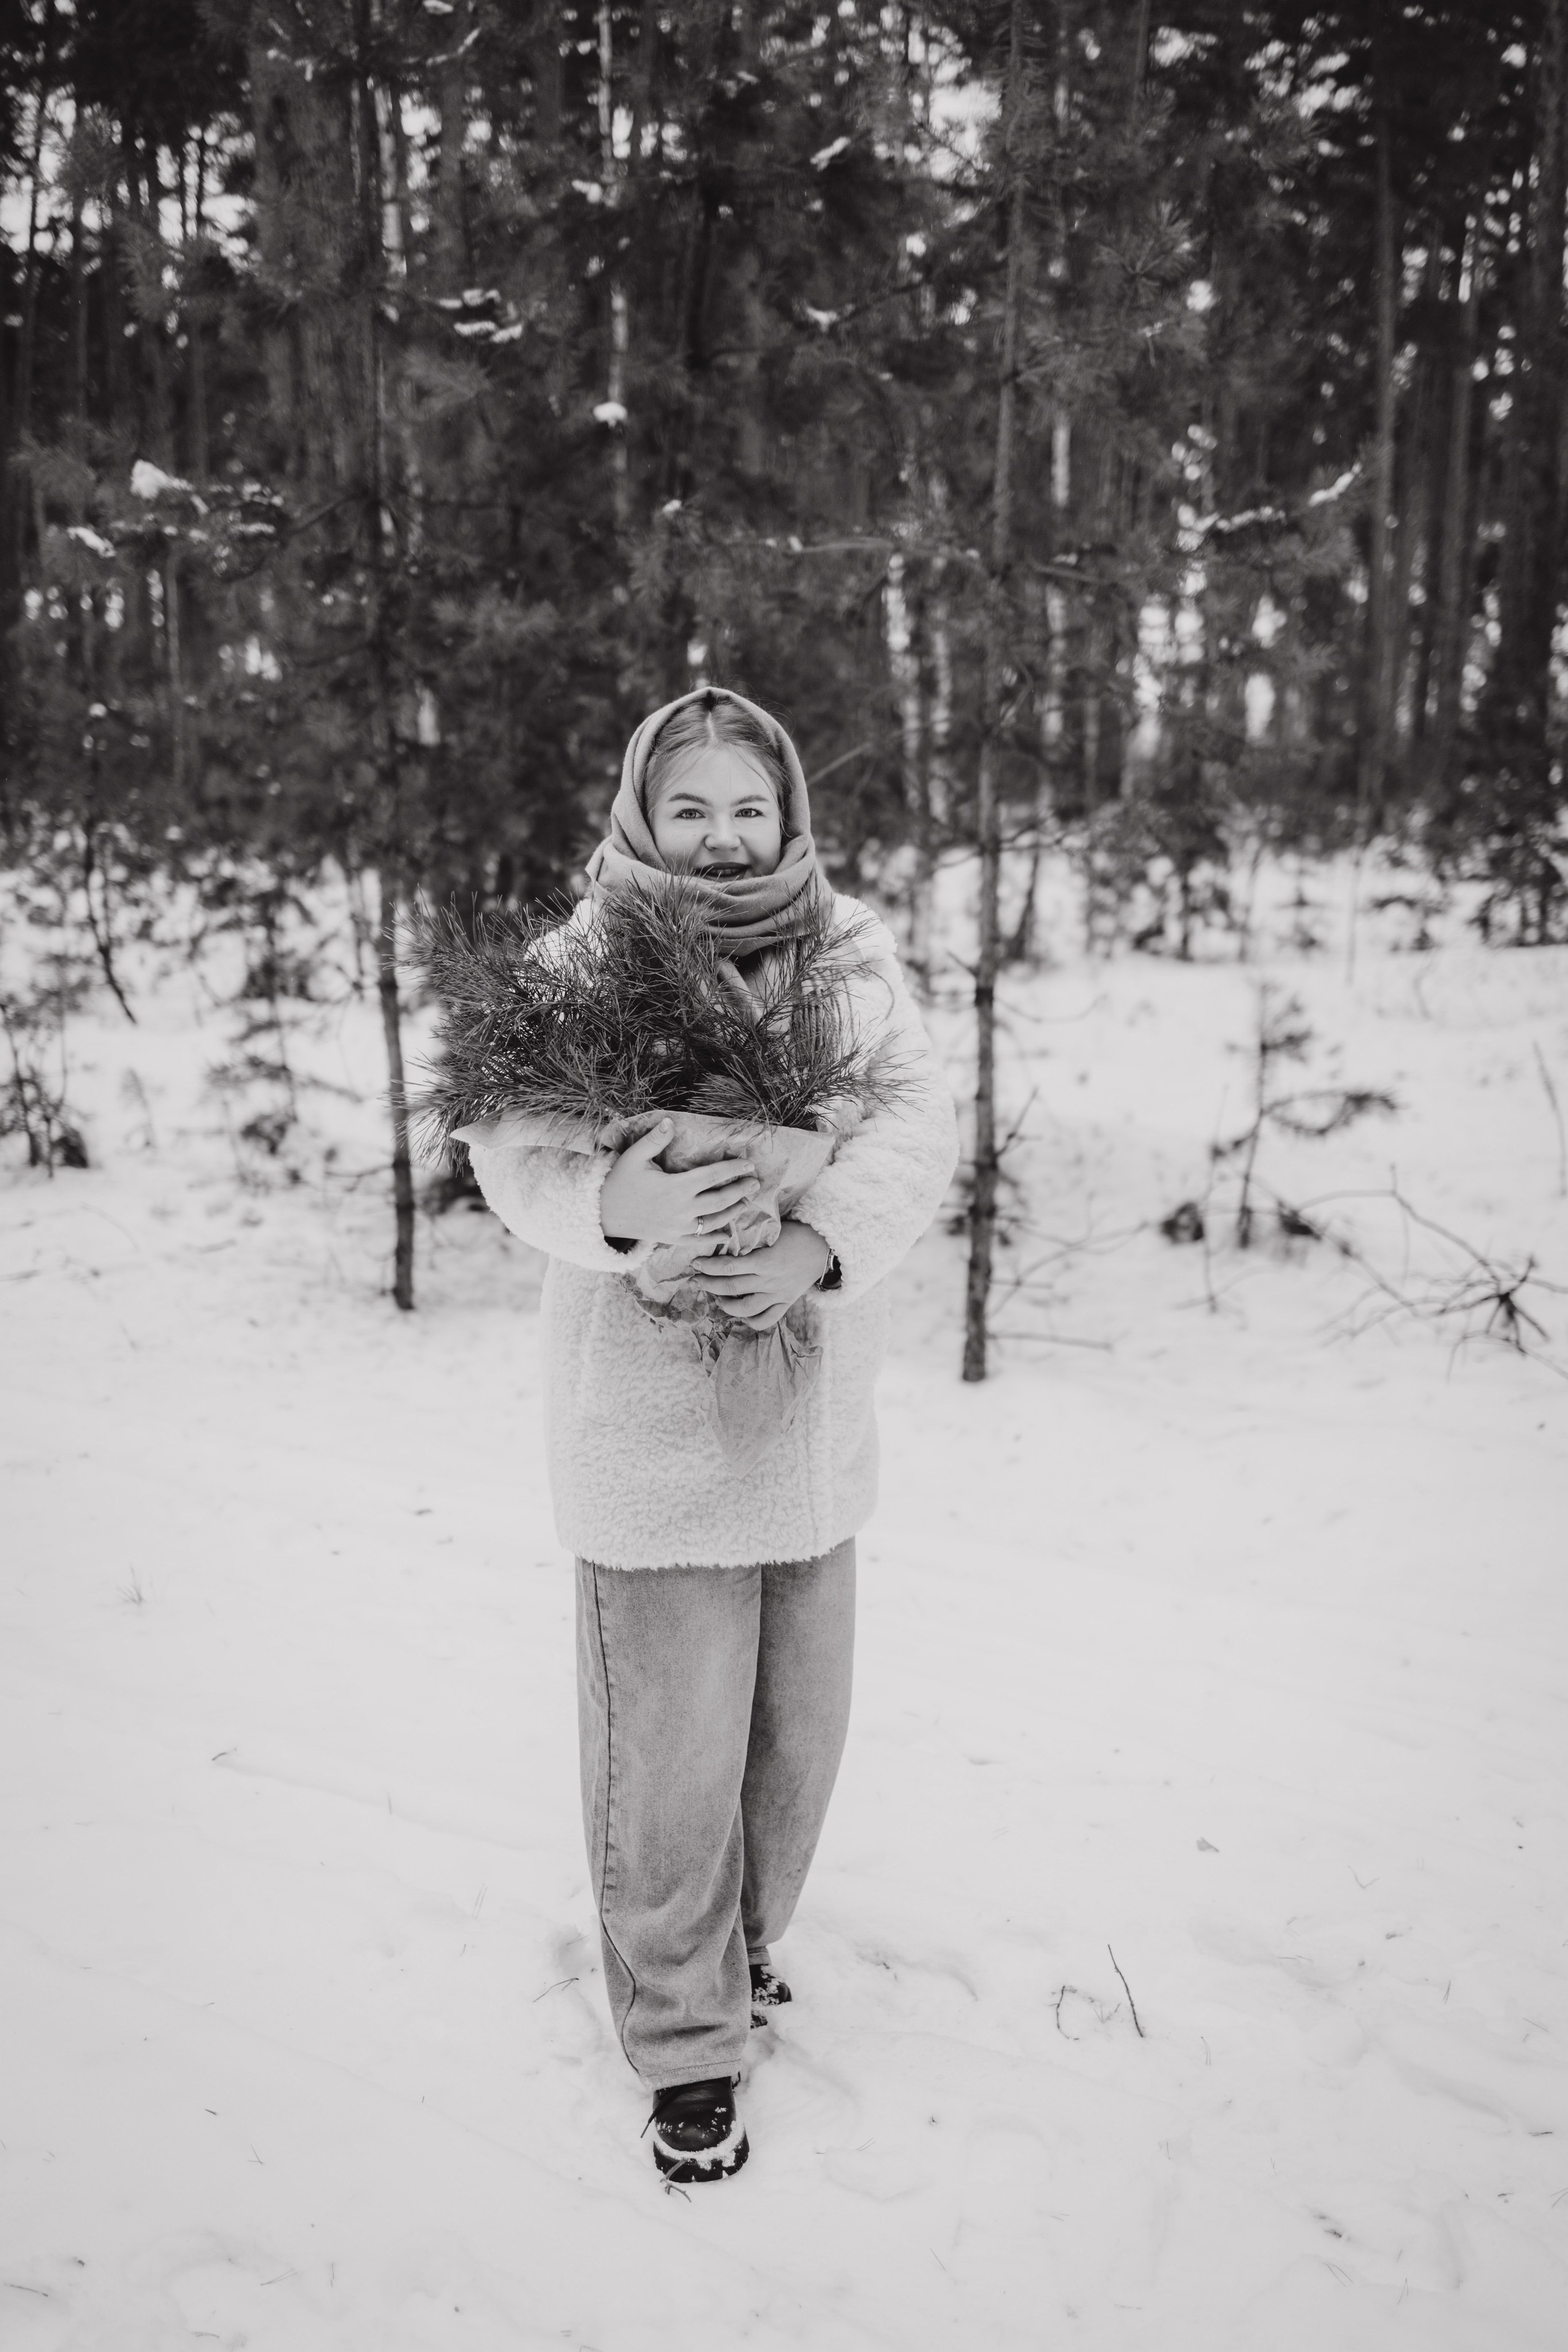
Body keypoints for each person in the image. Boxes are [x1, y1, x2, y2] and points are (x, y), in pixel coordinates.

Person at [467, 686, 959, 2184]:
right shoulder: (584, 960)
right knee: (668, 1759)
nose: (722, 833)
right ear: (640, 815)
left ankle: (744, 1951)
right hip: (654, 1430)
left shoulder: (850, 951)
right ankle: (685, 2045)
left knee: (790, 1745)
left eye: (747, 806)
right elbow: (513, 1148)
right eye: (689, 808)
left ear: (789, 812)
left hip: (806, 1423)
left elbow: (912, 1127)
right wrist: (630, 1209)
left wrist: (810, 1250)